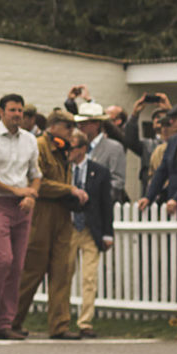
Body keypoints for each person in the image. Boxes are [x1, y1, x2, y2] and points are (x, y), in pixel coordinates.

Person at [0, 95, 41, 340]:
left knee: (17, 265)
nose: (17, 114)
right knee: (3, 259)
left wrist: (31, 194)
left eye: (20, 110)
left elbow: (36, 173)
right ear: (1, 112)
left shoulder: (30, 139)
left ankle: (5, 323)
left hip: (23, 205)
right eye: (12, 110)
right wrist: (16, 191)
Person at [14, 109, 86, 339]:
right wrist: (69, 189)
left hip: (62, 214)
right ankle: (11, 321)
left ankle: (59, 325)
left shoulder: (64, 149)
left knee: (62, 271)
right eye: (67, 127)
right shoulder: (38, 146)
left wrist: (69, 194)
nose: (70, 132)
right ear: (53, 126)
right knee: (32, 271)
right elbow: (38, 183)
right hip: (41, 213)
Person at [65, 131, 115, 338]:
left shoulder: (99, 172)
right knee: (64, 275)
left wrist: (107, 233)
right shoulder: (65, 170)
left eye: (73, 147)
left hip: (90, 229)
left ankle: (85, 322)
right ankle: (62, 319)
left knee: (89, 278)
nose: (69, 152)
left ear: (83, 149)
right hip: (68, 229)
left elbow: (106, 204)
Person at [75, 101, 126, 202]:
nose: (80, 126)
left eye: (84, 123)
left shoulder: (114, 148)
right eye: (78, 123)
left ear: (96, 124)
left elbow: (117, 181)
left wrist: (95, 197)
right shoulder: (76, 148)